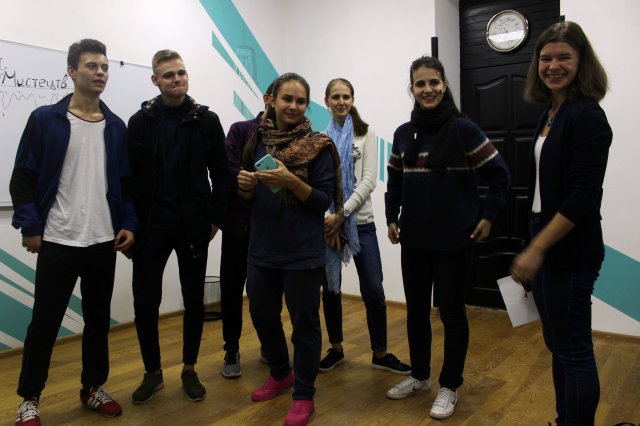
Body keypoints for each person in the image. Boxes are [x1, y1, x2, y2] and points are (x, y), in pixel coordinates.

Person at [10, 39, 138, 426]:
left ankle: (92, 388)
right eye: (91, 66)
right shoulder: (45, 120)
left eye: (104, 67)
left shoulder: (115, 126)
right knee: (44, 323)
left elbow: (126, 184)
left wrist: (129, 222)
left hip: (102, 240)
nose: (100, 73)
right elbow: (23, 178)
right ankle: (30, 398)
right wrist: (30, 225)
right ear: (71, 71)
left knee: (98, 322)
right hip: (58, 239)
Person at [384, 56, 510, 419]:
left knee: (452, 314)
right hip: (414, 240)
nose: (428, 89)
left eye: (434, 82)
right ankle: (420, 376)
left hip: (454, 241)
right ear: (412, 89)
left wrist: (488, 217)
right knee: (416, 313)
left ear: (444, 85)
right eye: (420, 84)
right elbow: (395, 180)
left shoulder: (465, 130)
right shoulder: (403, 134)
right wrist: (391, 217)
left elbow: (499, 174)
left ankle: (450, 385)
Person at [510, 21, 612, 426]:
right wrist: (533, 241)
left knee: (573, 350)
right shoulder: (551, 113)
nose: (553, 66)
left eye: (564, 58)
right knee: (558, 344)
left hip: (570, 249)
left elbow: (583, 197)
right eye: (546, 58)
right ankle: (564, 418)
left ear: (582, 62)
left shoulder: (587, 115)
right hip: (544, 239)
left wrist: (537, 249)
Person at [237, 72, 341, 426]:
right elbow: (249, 200)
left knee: (304, 326)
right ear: (272, 101)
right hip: (262, 249)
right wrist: (245, 187)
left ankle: (303, 394)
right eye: (287, 99)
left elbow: (323, 201)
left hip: (302, 252)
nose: (293, 106)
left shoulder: (318, 146)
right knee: (262, 317)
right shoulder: (256, 140)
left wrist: (290, 180)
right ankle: (281, 373)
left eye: (300, 101)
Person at [127, 49, 230, 404]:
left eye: (181, 73)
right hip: (150, 228)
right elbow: (129, 178)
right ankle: (152, 373)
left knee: (193, 301)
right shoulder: (140, 121)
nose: (177, 79)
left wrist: (214, 218)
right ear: (155, 80)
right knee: (145, 303)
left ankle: (189, 368)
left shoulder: (206, 120)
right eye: (169, 75)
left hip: (193, 226)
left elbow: (222, 174)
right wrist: (130, 223)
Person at [319, 78, 411, 375]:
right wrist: (331, 219)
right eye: (336, 97)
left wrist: (342, 213)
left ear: (353, 99)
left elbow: (369, 181)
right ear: (327, 101)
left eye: (346, 96)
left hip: (361, 224)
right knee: (330, 289)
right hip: (330, 225)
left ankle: (380, 354)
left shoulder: (366, 133)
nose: (341, 101)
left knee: (373, 289)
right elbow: (322, 183)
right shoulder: (321, 138)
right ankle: (336, 349)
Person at [219, 81, 274, 378]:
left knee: (267, 293)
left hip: (270, 228)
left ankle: (269, 344)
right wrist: (258, 182)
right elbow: (231, 172)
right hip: (237, 226)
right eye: (281, 98)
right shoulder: (240, 130)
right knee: (231, 290)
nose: (288, 105)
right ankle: (231, 348)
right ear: (267, 99)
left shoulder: (291, 139)